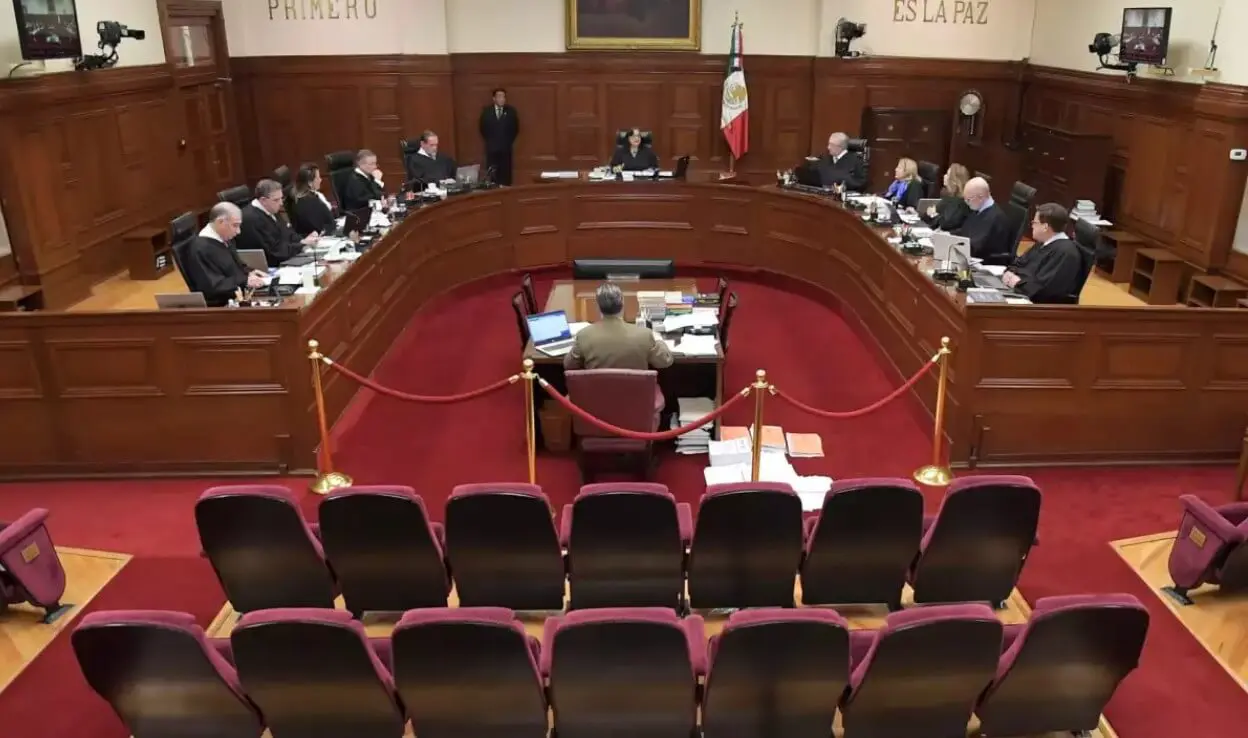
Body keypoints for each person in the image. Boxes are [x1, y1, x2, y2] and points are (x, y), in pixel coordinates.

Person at [564, 282, 674, 371]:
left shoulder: (584, 335)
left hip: (597, 396)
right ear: (622, 304)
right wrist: (659, 340)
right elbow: (665, 361)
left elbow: (569, 365)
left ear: (598, 306)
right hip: (637, 396)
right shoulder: (644, 335)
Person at [182, 202, 268, 307]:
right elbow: (214, 287)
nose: (238, 231)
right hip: (223, 304)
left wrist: (249, 272)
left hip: (240, 294)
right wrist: (245, 280)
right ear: (220, 222)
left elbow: (235, 265)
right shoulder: (201, 249)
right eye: (235, 225)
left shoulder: (225, 237)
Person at [1003, 203, 1087, 303]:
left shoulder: (1066, 253)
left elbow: (1044, 290)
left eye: (1035, 222)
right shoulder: (1043, 242)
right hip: (1020, 293)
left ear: (1045, 227)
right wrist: (1010, 274)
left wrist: (1017, 282)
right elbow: (1019, 263)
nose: (1032, 226)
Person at [238, 179, 319, 267]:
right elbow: (274, 252)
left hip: (286, 257)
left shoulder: (270, 208)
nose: (281, 203)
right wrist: (301, 245)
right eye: (276, 200)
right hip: (272, 266)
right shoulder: (251, 219)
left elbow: (286, 232)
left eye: (281, 198)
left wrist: (302, 240)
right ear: (263, 200)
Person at [953, 177, 1013, 263]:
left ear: (981, 197)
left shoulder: (996, 218)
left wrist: (953, 243)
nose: (966, 203)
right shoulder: (978, 210)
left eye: (968, 200)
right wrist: (947, 236)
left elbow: (978, 246)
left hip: (985, 263)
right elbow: (965, 231)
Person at [479, 88, 519, 185]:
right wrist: (491, 142)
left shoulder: (511, 112)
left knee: (506, 176)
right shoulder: (486, 112)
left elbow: (515, 129)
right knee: (493, 175)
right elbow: (483, 129)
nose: (502, 99)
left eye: (504, 97)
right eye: (499, 97)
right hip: (492, 150)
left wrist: (507, 142)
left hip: (506, 149)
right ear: (494, 98)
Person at [921, 163, 972, 231]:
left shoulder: (962, 203)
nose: (944, 176)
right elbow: (926, 217)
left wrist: (934, 215)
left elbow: (945, 224)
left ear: (954, 180)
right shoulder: (947, 196)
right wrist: (933, 215)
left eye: (948, 174)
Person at [290, 163, 336, 238]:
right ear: (310, 183)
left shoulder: (306, 197)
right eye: (318, 178)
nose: (320, 180)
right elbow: (322, 227)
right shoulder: (310, 203)